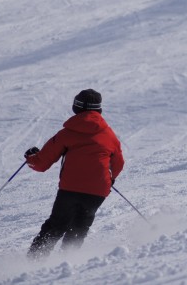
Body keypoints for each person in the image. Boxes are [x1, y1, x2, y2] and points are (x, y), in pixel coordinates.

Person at [25, 89, 124, 259]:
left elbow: (41, 164)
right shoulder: (109, 135)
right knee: (79, 227)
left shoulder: (67, 134)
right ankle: (67, 262)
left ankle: (34, 261)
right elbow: (118, 163)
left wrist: (31, 157)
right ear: (98, 110)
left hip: (70, 189)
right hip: (97, 190)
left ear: (76, 108)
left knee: (56, 225)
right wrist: (110, 178)